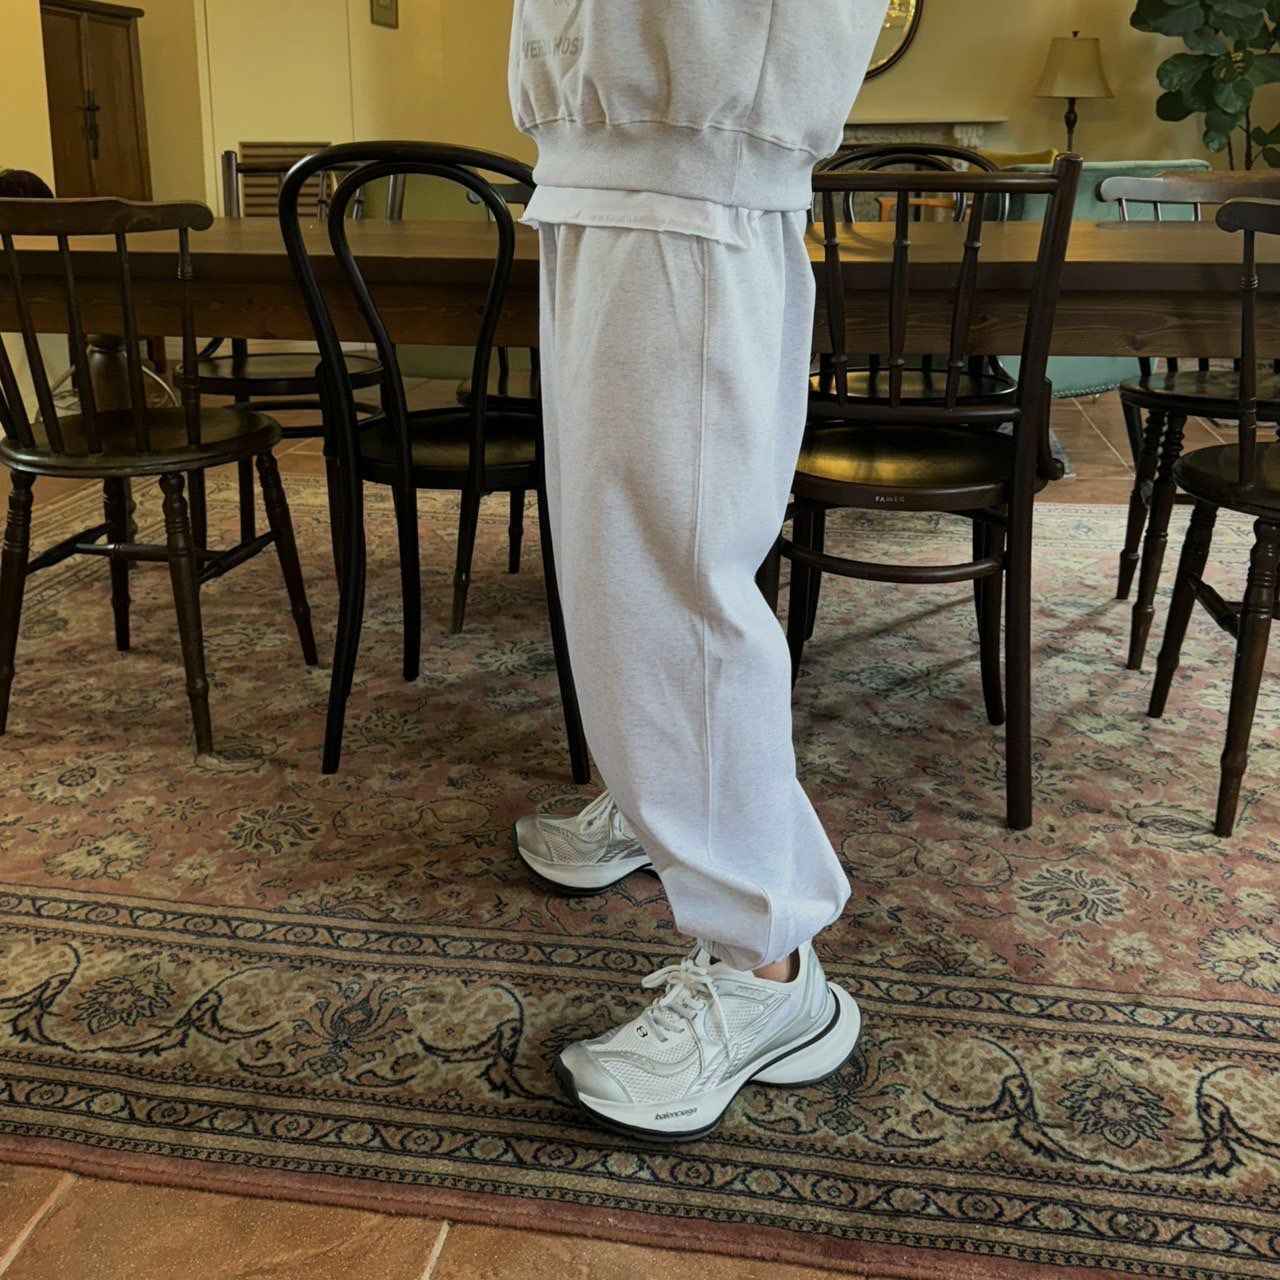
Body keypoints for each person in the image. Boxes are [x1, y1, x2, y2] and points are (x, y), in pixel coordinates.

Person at [509, 0, 889, 1140]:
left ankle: (767, 968)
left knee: (669, 584)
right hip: (600, 167)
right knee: (614, 567)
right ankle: (658, 804)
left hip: (692, 162)